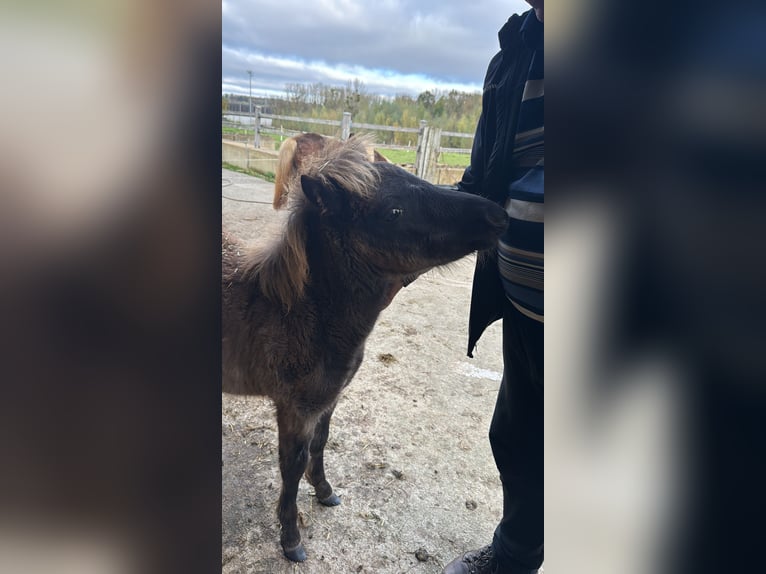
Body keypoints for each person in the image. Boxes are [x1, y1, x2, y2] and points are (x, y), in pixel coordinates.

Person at [442, 2, 543, 573]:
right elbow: (482, 180)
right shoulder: (512, 57)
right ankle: (515, 554)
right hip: (528, 305)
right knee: (518, 433)